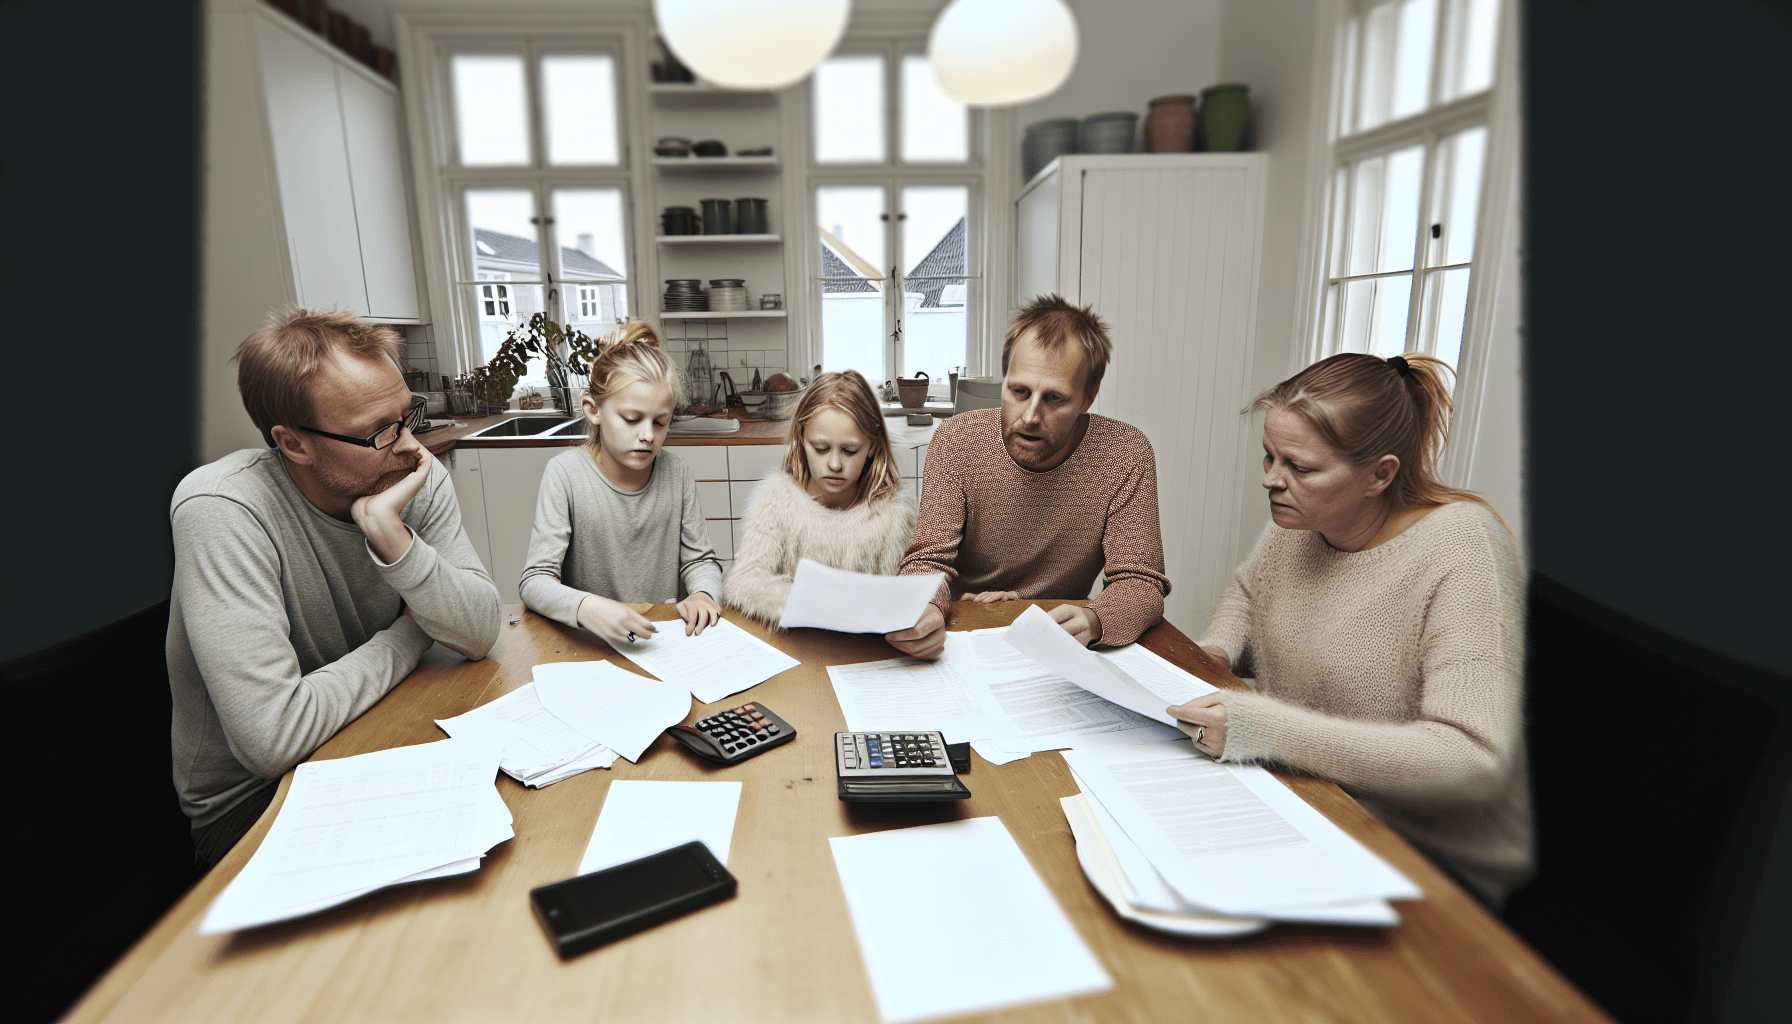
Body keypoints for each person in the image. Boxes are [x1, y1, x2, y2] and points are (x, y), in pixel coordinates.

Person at [1168, 352, 1530, 905]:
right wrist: (1215, 650)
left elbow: (1473, 758)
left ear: (1381, 474)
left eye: (1300, 467)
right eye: (1269, 457)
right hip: (1318, 803)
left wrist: (1263, 729)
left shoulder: (1464, 546)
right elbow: (1249, 594)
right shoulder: (1305, 519)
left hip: (1433, 860)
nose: (1271, 480)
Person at [168, 309, 501, 870]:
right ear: (293, 443)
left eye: (407, 415)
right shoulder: (222, 509)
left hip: (371, 734)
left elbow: (479, 630)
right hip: (254, 805)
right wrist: (414, 631)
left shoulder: (406, 471)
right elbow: (272, 739)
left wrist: (394, 540)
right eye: (378, 431)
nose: (410, 445)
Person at [886, 295, 1169, 660]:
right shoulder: (956, 441)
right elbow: (928, 561)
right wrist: (923, 607)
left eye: (1054, 399)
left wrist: (1095, 619)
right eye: (1019, 392)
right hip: (962, 637)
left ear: (1088, 397)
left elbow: (1141, 582)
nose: (1031, 416)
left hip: (1060, 643)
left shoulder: (1126, 454)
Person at [519, 320, 723, 646]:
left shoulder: (677, 473)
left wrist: (703, 593)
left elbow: (700, 561)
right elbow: (535, 581)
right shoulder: (565, 474)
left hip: (662, 641)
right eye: (631, 419)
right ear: (593, 410)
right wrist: (585, 606)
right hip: (591, 644)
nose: (647, 435)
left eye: (660, 423)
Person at [724, 371, 916, 626]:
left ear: (872, 445)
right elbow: (743, 582)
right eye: (821, 448)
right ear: (801, 439)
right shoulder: (777, 502)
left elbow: (903, 597)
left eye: (849, 450)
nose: (834, 464)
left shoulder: (892, 515)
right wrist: (809, 603)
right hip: (795, 651)